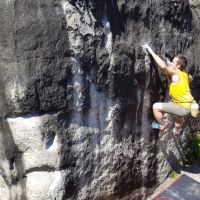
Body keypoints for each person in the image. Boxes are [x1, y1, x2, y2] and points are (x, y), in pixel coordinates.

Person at [144, 44, 194, 133]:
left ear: (178, 66)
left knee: (155, 107)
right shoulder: (186, 75)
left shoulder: (175, 73)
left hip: (182, 107)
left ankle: (162, 126)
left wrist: (151, 51)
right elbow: (191, 79)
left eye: (173, 62)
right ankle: (177, 130)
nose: (171, 63)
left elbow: (163, 67)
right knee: (179, 117)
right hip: (189, 105)